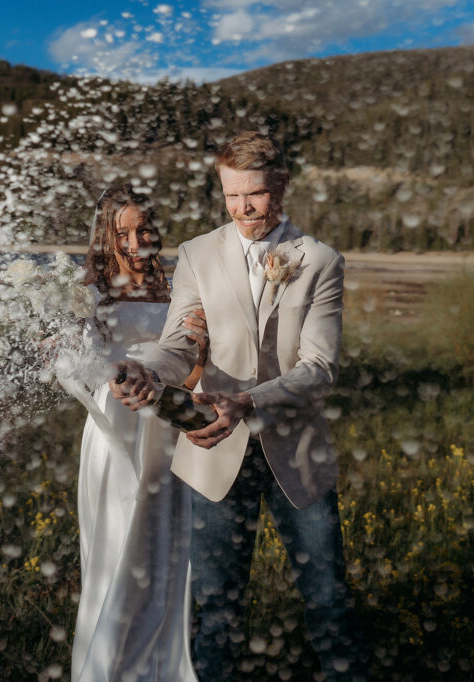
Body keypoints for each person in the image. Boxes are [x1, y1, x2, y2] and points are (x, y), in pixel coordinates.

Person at [111, 132, 360, 680]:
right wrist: (148, 370)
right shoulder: (197, 254)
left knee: (328, 603)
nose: (244, 208)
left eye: (256, 195)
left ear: (282, 185)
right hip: (211, 453)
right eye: (231, 196)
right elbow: (181, 342)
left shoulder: (319, 261)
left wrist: (246, 401)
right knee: (216, 611)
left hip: (296, 454)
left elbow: (320, 369)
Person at [71, 184, 206, 682]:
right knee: (117, 546)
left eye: (143, 228)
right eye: (121, 231)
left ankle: (164, 668)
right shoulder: (88, 295)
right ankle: (105, 667)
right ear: (105, 237)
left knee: (167, 546)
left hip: (170, 432)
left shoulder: (179, 293)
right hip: (116, 434)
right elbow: (80, 366)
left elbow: (192, 376)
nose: (134, 240)